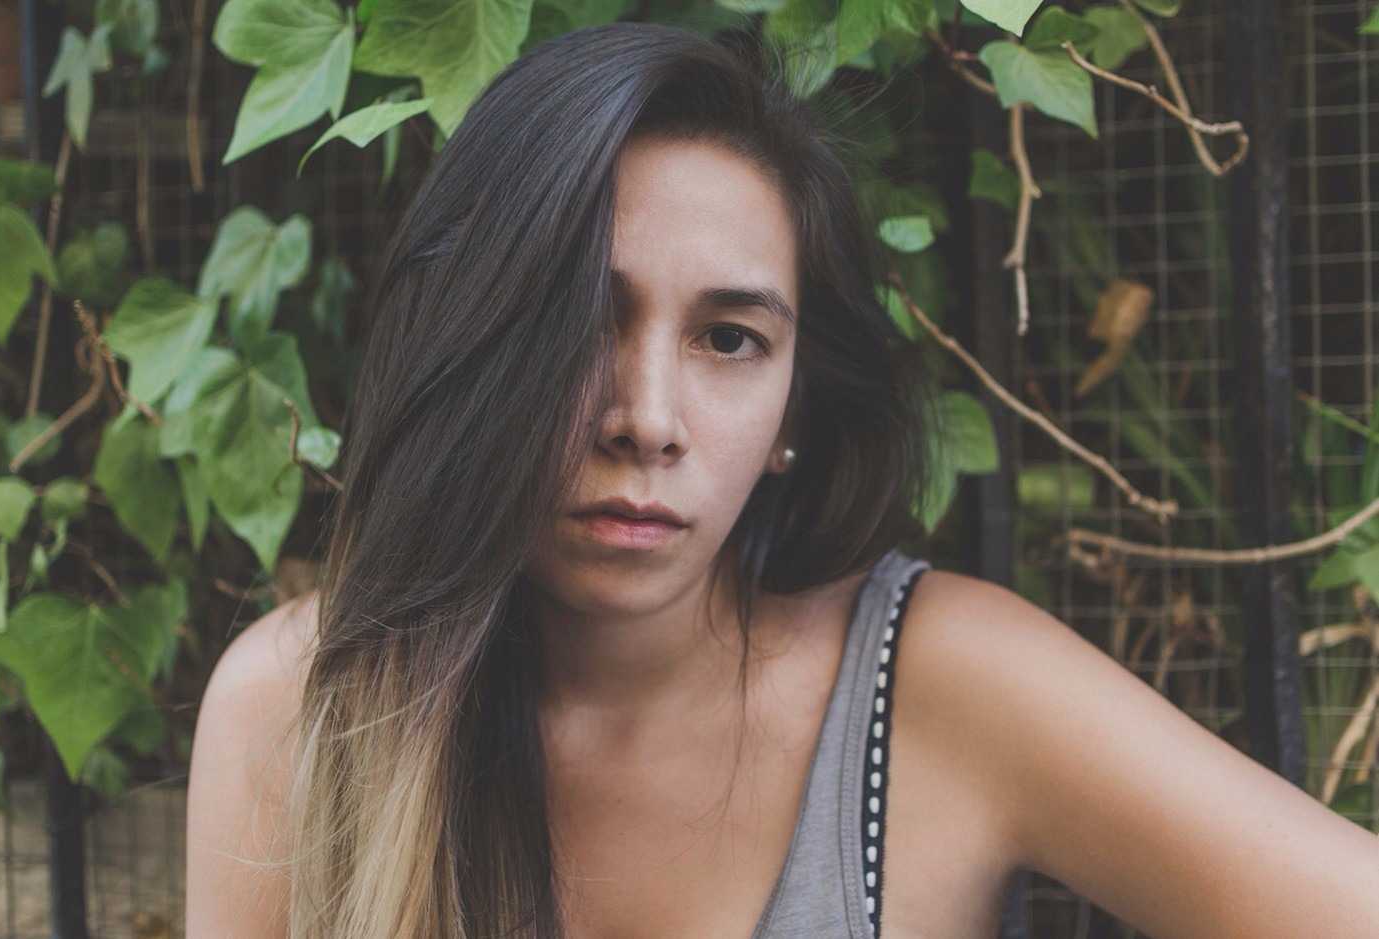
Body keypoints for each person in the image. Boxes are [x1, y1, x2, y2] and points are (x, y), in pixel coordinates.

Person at [185, 22, 1379, 939]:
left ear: (793, 415)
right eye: (582, 323)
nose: (648, 421)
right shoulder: (303, 708)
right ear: (469, 346)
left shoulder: (937, 686)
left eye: (729, 338)